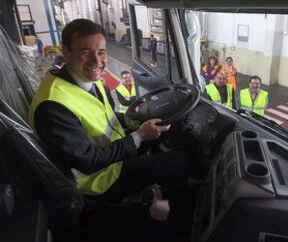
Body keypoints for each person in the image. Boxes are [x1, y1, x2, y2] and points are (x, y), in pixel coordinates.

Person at [28, 19, 193, 236]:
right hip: (99, 180)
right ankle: (181, 226)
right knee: (179, 161)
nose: (97, 61)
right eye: (86, 52)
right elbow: (88, 162)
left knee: (162, 138)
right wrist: (138, 136)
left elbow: (104, 115)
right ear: (65, 52)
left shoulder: (85, 80)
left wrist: (137, 120)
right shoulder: (53, 104)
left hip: (112, 156)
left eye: (102, 52)